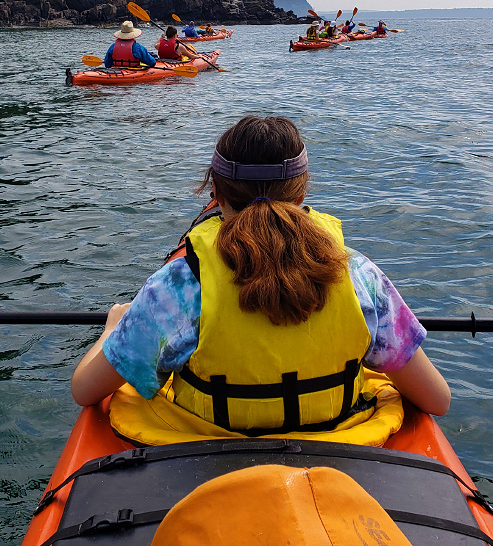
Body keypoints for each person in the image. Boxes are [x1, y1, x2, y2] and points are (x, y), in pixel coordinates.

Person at [71, 115, 451, 438]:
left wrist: (112, 328)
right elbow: (437, 399)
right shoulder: (359, 274)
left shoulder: (182, 282)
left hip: (208, 451)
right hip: (337, 448)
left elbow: (84, 389)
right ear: (301, 191)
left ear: (215, 191)